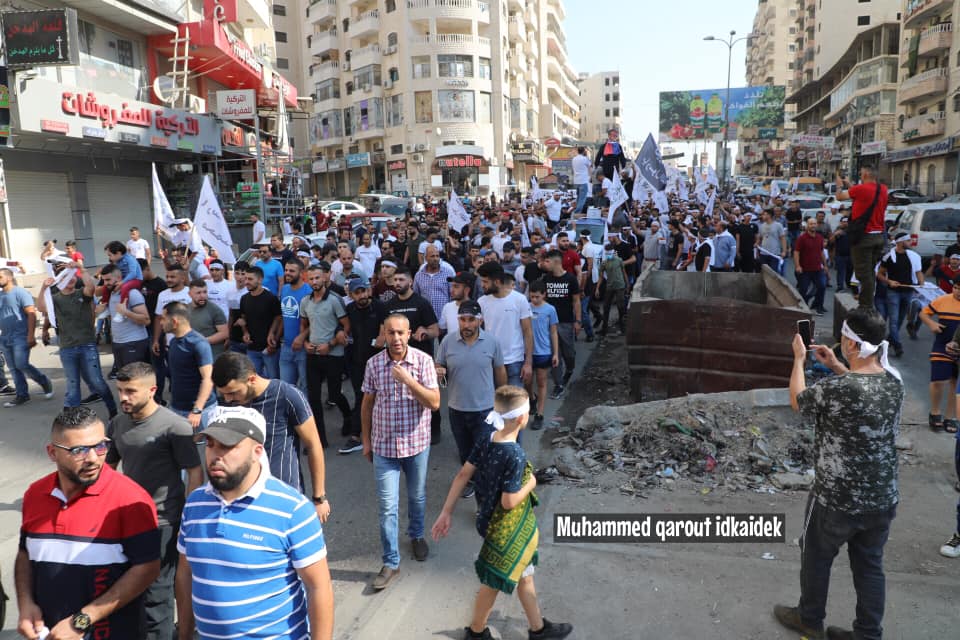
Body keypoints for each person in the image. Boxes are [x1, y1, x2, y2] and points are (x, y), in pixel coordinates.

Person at [776, 308, 902, 640]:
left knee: (816, 557)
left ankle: (809, 619)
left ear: (849, 341)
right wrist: (835, 365)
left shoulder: (838, 389)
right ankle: (867, 634)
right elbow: (862, 387)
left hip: (836, 498)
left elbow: (798, 401)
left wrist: (799, 360)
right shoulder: (893, 381)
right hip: (882, 498)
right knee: (870, 567)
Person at [175, 406, 334, 640]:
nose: (216, 455)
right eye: (210, 444)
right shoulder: (194, 504)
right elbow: (185, 574)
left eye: (228, 445)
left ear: (257, 451)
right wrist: (185, 635)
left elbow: (318, 587)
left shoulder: (293, 509)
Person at [431, 386, 573, 640]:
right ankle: (476, 632)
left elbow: (463, 474)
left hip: (487, 519)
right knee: (497, 577)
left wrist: (446, 512)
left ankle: (538, 628)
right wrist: (531, 483)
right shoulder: (514, 455)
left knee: (523, 575)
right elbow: (509, 501)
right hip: (506, 525)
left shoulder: (487, 438)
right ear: (522, 418)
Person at [16, 406, 161, 639]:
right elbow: (25, 553)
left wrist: (83, 620)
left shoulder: (131, 500)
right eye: (79, 450)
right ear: (52, 453)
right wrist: (25, 604)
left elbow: (147, 569)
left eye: (100, 446)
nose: (93, 458)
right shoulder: (35, 495)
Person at [107, 362, 202, 640]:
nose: (124, 397)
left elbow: (194, 472)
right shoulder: (117, 423)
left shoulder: (175, 426)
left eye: (131, 391)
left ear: (152, 390)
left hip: (163, 522)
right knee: (128, 589)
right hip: (127, 521)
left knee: (156, 597)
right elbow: (109, 469)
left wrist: (188, 516)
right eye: (121, 390)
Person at [361, 314, 441, 590]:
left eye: (400, 333)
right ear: (383, 334)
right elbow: (367, 404)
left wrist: (408, 380)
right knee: (387, 506)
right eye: (390, 333)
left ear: (409, 334)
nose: (395, 339)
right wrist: (366, 439)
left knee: (416, 496)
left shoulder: (423, 362)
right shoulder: (373, 364)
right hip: (384, 445)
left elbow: (434, 402)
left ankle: (417, 535)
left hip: (416, 444)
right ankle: (391, 561)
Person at [212, 353, 331, 521]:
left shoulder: (288, 396)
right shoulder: (227, 402)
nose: (227, 399)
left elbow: (313, 445)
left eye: (233, 392)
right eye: (223, 394)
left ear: (252, 379)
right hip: (242, 502)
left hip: (284, 501)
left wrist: (319, 497)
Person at [435, 300, 507, 499]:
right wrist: (438, 371)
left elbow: (500, 371)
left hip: (485, 410)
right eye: (462, 320)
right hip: (456, 409)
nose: (466, 325)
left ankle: (484, 499)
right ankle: (471, 481)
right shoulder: (447, 341)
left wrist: (503, 401)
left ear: (480, 320)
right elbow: (439, 364)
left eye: (471, 320)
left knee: (484, 456)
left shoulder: (492, 342)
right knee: (465, 454)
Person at [36, 264, 117, 416]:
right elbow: (41, 307)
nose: (71, 279)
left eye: (72, 275)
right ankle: (72, 416)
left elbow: (91, 288)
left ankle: (112, 410)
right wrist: (43, 288)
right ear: (59, 281)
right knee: (73, 384)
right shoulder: (55, 299)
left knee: (97, 381)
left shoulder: (82, 293)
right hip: (67, 348)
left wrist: (82, 269)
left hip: (87, 346)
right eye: (65, 277)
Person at [299, 263, 351, 447]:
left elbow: (346, 326)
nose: (314, 281)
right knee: (313, 398)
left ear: (324, 278)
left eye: (317, 278)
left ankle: (348, 417)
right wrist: (305, 343)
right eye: (311, 278)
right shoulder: (305, 301)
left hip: (333, 354)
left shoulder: (335, 300)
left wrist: (331, 344)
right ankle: (319, 440)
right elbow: (304, 326)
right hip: (313, 354)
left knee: (335, 394)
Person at [341, 277, 387, 455]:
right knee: (361, 396)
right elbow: (344, 328)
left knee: (379, 397)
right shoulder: (350, 309)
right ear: (351, 295)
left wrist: (382, 337)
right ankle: (357, 435)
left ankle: (364, 433)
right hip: (356, 361)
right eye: (358, 292)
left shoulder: (380, 307)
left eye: (364, 291)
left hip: (378, 361)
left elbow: (384, 330)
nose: (362, 295)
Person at [0, 267, 53, 407]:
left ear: (9, 277)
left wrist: (31, 335)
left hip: (20, 336)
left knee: (21, 364)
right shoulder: (0, 295)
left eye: (0, 277)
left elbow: (31, 314)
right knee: (13, 368)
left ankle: (44, 382)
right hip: (5, 337)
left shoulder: (20, 293)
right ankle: (22, 395)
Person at [836, 166, 888, 309]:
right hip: (878, 236)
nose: (860, 176)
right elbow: (861, 193)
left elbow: (839, 197)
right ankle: (869, 300)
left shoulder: (861, 190)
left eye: (860, 174)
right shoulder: (882, 189)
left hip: (864, 237)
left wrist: (839, 186)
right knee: (870, 271)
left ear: (865, 175)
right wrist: (849, 184)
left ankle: (866, 305)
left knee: (863, 274)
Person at [476, 262, 533, 388]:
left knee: (514, 404)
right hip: (490, 361)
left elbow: (527, 332)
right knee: (495, 402)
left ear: (496, 282)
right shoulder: (481, 302)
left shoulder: (519, 300)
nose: (482, 285)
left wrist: (528, 363)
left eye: (485, 282)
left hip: (515, 361)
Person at [163, 302, 217, 433]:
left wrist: (197, 410)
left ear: (174, 321)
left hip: (199, 412)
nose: (161, 323)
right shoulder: (173, 342)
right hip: (177, 407)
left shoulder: (198, 344)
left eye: (163, 319)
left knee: (201, 451)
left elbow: (208, 379)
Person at [918, 275, 960, 433]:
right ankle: (935, 412)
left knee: (955, 384)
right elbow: (923, 313)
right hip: (942, 344)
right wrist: (931, 324)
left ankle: (951, 417)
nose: (958, 292)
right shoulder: (943, 300)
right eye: (956, 288)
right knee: (938, 380)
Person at [541, 250, 580, 399]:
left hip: (566, 322)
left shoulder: (570, 279)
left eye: (547, 261)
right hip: (550, 325)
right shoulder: (545, 279)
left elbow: (576, 301)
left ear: (555, 262)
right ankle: (558, 385)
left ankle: (570, 368)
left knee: (568, 354)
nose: (545, 264)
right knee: (554, 354)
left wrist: (578, 321)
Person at [878, 232, 923, 358]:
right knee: (893, 320)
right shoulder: (888, 257)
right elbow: (880, 274)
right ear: (900, 242)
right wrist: (889, 281)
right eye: (908, 241)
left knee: (900, 319)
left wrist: (921, 286)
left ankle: (890, 340)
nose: (910, 243)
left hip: (908, 291)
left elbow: (919, 272)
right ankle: (898, 345)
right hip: (893, 292)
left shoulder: (913, 256)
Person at [99, 263, 153, 369]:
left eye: (108, 280)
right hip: (118, 343)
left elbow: (146, 320)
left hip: (134, 343)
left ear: (119, 278)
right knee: (125, 380)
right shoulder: (111, 294)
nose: (106, 283)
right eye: (104, 280)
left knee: (136, 381)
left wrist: (126, 312)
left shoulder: (132, 293)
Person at [239, 266, 282, 378]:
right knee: (253, 381)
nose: (247, 282)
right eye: (246, 278)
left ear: (260, 280)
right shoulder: (244, 298)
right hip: (251, 348)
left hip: (269, 349)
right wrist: (245, 332)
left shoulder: (270, 298)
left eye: (250, 279)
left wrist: (274, 341)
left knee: (273, 381)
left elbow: (278, 318)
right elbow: (243, 318)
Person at [527, 280, 558, 427]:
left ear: (544, 295)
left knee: (541, 382)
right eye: (532, 296)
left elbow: (553, 332)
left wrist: (555, 353)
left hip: (543, 352)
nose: (534, 299)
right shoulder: (526, 308)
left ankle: (539, 414)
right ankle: (532, 398)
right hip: (527, 352)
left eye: (537, 297)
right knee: (527, 381)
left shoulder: (550, 310)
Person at [279, 259, 311, 389]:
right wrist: (276, 335)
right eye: (286, 270)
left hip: (303, 348)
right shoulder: (285, 289)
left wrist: (302, 337)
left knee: (305, 386)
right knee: (286, 387)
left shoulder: (309, 291)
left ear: (301, 273)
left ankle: (304, 410)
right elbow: (283, 316)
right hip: (286, 346)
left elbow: (315, 320)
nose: (288, 273)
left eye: (292, 271)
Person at [795, 217, 828, 316]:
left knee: (822, 286)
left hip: (818, 268)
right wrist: (797, 266)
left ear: (816, 225)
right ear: (807, 226)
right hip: (805, 269)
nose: (813, 225)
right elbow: (796, 252)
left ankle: (818, 306)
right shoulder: (802, 238)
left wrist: (825, 265)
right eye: (811, 224)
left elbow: (821, 252)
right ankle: (802, 307)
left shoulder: (819, 237)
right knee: (804, 289)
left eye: (814, 224)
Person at [187, 278, 229, 359]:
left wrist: (202, 341)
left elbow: (224, 333)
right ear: (190, 294)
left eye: (205, 292)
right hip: (193, 356)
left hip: (212, 356)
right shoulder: (186, 309)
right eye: (198, 293)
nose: (202, 296)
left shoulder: (214, 310)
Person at [414, 245, 456, 322]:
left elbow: (453, 296)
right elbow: (416, 296)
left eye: (437, 256)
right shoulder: (418, 275)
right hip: (425, 319)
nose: (436, 259)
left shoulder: (448, 273)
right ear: (426, 258)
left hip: (444, 318)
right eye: (432, 256)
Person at [597, 243, 628, 336]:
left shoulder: (619, 260)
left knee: (621, 308)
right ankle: (604, 329)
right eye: (607, 253)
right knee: (606, 308)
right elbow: (601, 277)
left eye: (609, 252)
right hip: (609, 287)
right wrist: (597, 288)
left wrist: (627, 285)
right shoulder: (604, 263)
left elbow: (624, 273)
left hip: (620, 287)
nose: (608, 254)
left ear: (613, 252)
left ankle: (623, 329)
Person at [756, 209, 787, 275]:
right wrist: (757, 243)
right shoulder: (762, 226)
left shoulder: (778, 225)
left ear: (769, 215)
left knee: (773, 273)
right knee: (765, 272)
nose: (762, 216)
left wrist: (784, 251)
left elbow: (783, 238)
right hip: (764, 253)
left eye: (764, 214)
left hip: (774, 253)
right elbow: (760, 238)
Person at [830, 216, 852, 291]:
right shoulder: (838, 230)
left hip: (851, 255)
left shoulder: (852, 230)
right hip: (840, 255)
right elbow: (831, 241)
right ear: (841, 222)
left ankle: (849, 284)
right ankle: (840, 286)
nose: (845, 223)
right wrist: (835, 234)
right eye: (844, 222)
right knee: (840, 271)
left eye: (847, 221)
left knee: (850, 271)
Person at [572, 146, 592, 213]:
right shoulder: (585, 159)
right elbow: (590, 165)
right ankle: (577, 212)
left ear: (578, 151)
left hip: (576, 181)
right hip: (583, 181)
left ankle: (576, 211)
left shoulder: (574, 159)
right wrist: (586, 155)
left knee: (578, 198)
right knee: (582, 199)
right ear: (584, 151)